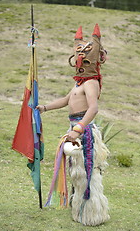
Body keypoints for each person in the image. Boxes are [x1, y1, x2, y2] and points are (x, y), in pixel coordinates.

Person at [36, 24, 110, 226]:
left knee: (86, 172)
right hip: (74, 130)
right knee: (76, 173)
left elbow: (93, 109)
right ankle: (79, 210)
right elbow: (65, 100)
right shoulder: (78, 83)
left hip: (83, 132)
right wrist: (44, 107)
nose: (80, 63)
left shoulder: (91, 83)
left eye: (84, 60)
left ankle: (92, 213)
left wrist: (78, 131)